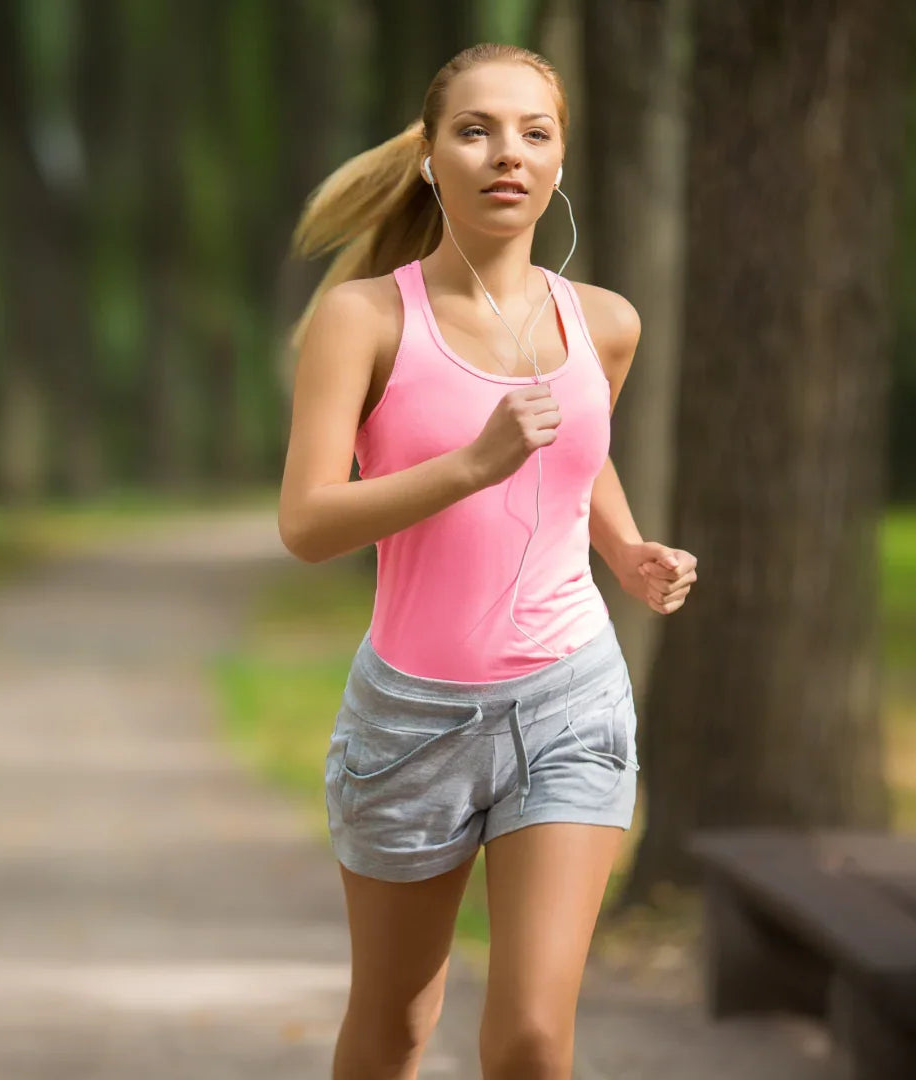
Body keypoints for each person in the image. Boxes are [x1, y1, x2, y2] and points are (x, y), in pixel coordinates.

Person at [278, 41, 697, 1080]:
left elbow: (577, 448)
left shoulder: (603, 322)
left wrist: (627, 546)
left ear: (560, 161)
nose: (506, 154)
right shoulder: (364, 318)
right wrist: (470, 465)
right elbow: (308, 524)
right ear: (430, 158)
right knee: (394, 1028)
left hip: (571, 702)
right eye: (476, 131)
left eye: (534, 133)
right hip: (409, 724)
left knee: (530, 1039)